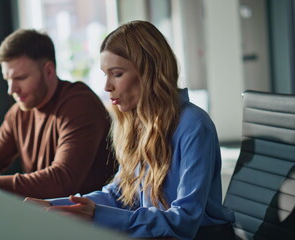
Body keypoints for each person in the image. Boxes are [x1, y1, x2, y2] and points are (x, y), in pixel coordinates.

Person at [25, 21, 235, 239]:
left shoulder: (194, 125)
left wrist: (96, 216)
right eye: (105, 74)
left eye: (116, 74)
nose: (107, 86)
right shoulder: (139, 124)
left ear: (149, 72)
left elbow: (185, 221)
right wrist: (52, 206)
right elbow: (118, 195)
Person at [0, 29, 115, 199]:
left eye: (20, 78)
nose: (11, 90)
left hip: (90, 220)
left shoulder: (80, 104)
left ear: (48, 70)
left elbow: (62, 180)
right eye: (7, 80)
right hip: (49, 215)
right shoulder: (19, 113)